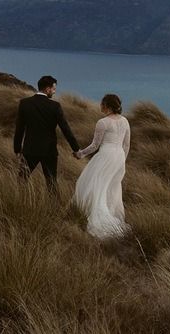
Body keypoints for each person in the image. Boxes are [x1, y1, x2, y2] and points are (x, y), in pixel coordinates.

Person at [73, 93, 131, 239]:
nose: (100, 105)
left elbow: (95, 145)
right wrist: (122, 159)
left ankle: (96, 216)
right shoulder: (125, 121)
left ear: (107, 106)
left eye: (102, 103)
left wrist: (80, 154)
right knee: (112, 187)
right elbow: (127, 144)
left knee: (93, 185)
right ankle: (110, 213)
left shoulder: (103, 122)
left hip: (105, 156)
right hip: (119, 157)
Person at [14, 75, 80, 195]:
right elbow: (66, 129)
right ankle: (55, 209)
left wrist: (17, 149)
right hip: (49, 150)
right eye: (54, 89)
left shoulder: (24, 103)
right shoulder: (55, 106)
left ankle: (20, 202)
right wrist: (76, 149)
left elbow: (19, 128)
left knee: (22, 180)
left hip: (30, 149)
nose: (54, 92)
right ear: (47, 89)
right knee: (51, 182)